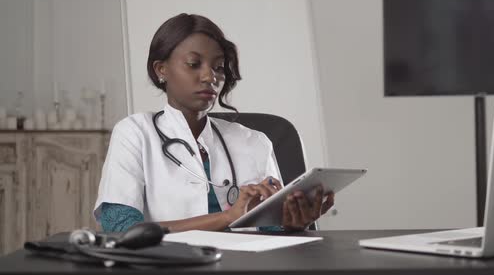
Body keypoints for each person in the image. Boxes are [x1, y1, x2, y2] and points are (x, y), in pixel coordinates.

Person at [94, 13, 334, 233]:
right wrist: (227, 217)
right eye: (193, 64)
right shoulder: (135, 133)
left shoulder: (255, 141)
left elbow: (270, 233)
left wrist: (294, 224)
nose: (211, 77)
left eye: (219, 67)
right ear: (161, 70)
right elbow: (120, 228)